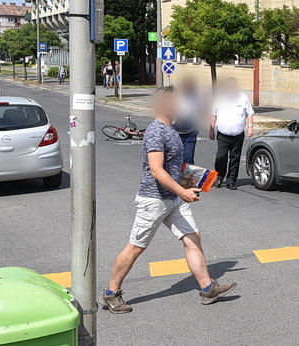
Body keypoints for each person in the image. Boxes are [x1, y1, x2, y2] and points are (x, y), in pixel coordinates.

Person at [101, 87, 235, 313]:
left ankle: (207, 287)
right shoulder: (156, 132)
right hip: (153, 199)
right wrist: (182, 192)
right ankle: (110, 293)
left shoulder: (171, 130)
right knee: (136, 247)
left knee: (193, 238)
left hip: (173, 198)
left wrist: (194, 179)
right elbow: (156, 170)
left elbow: (172, 168)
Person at [209, 77, 254, 189]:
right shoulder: (219, 98)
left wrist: (250, 127)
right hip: (223, 135)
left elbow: (250, 113)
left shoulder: (242, 98)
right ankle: (219, 177)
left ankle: (231, 181)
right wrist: (211, 129)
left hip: (237, 135)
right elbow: (213, 114)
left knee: (235, 158)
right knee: (220, 157)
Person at [171, 75, 206, 165]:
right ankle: (175, 177)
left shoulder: (197, 96)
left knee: (188, 158)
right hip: (176, 130)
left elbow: (201, 110)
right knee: (175, 158)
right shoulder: (176, 96)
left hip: (190, 131)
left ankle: (187, 178)